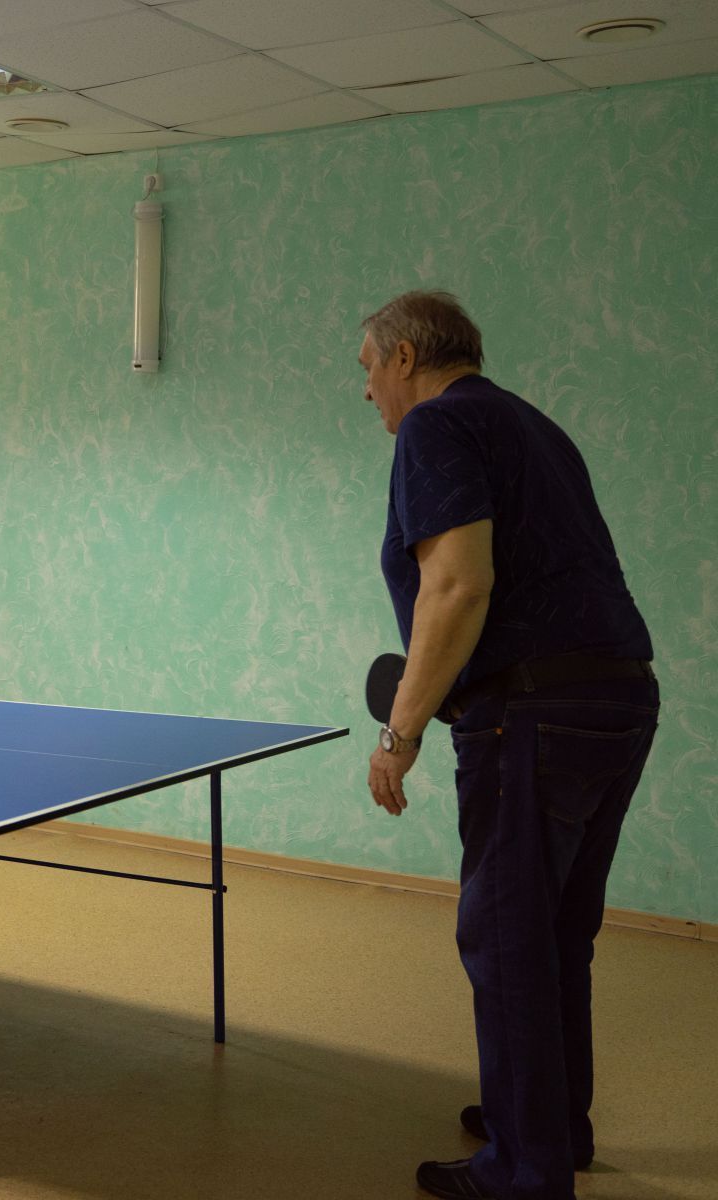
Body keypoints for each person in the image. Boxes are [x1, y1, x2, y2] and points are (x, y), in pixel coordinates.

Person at [358, 292, 658, 1200]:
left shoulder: (436, 426)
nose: (365, 390)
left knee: (505, 935)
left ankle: (525, 1172)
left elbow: (457, 586)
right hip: (618, 698)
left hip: (531, 713)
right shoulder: (534, 425)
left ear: (404, 357)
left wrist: (400, 732)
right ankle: (552, 1126)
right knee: (558, 929)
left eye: (367, 367)